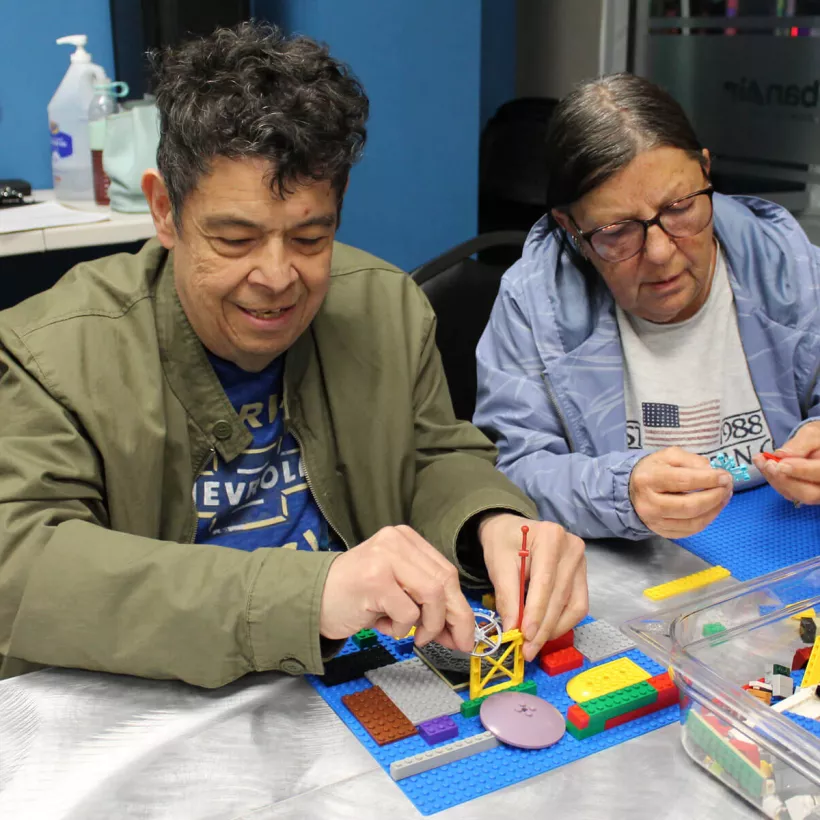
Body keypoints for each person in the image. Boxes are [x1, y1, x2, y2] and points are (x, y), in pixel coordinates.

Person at [0, 23, 587, 687]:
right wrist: (310, 595)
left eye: (310, 239)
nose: (278, 277)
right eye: (235, 239)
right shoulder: (48, 354)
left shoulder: (387, 308)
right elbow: (20, 568)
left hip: (349, 685)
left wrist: (490, 519)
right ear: (165, 211)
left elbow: (432, 454)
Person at [475, 73, 820, 543]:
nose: (660, 253)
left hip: (781, 541)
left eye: (679, 208)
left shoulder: (788, 267)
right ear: (571, 228)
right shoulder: (533, 305)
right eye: (617, 232)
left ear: (706, 172)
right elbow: (512, 470)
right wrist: (621, 492)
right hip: (630, 562)